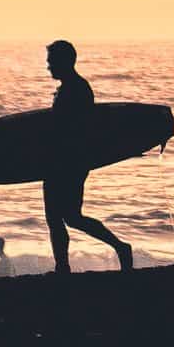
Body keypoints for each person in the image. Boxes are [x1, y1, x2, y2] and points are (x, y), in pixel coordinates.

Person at [42, 40, 133, 274]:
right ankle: (64, 266)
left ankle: (120, 247)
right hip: (65, 160)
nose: (48, 66)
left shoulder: (77, 89)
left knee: (67, 216)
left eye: (51, 61)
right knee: (63, 216)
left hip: (68, 161)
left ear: (64, 61)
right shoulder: (70, 87)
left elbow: (75, 128)